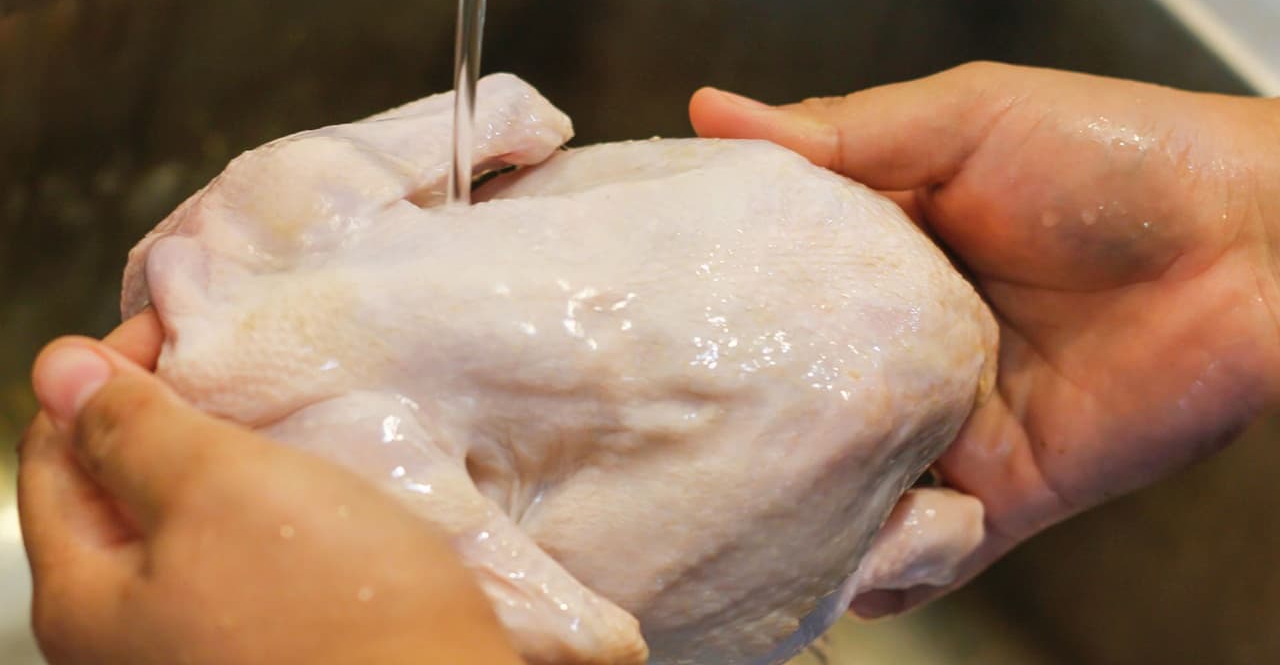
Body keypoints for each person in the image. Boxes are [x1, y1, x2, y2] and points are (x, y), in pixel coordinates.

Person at [19, 62, 1280, 663]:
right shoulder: (259, 246)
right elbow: (515, 109)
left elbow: (508, 112)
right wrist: (1244, 226)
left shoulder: (236, 254)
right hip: (835, 254)